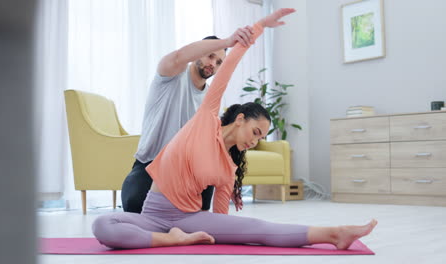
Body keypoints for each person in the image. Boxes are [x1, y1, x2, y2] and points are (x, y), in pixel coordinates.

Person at [94, 8, 377, 249]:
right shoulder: (202, 113)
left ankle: (335, 233)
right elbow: (223, 69)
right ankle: (172, 239)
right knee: (102, 224)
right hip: (152, 203)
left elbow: (222, 222)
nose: (256, 142)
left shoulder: (227, 169)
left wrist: (224, 231)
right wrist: (257, 28)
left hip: (190, 216)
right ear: (239, 119)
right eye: (256, 133)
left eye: (261, 138)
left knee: (258, 227)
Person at [121, 26, 256, 213]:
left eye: (219, 63)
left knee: (200, 213)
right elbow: (179, 56)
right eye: (210, 56)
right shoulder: (171, 75)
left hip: (185, 172)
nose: (213, 65)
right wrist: (227, 42)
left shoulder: (210, 99)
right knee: (134, 204)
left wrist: (229, 180)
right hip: (149, 164)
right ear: (199, 52)